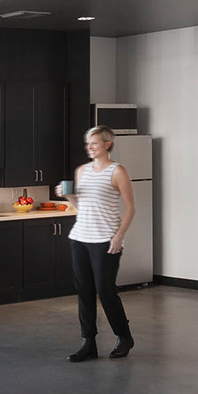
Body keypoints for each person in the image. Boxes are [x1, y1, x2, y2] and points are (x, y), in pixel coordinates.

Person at [68, 125, 135, 362]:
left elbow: (130, 208)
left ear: (107, 144)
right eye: (87, 143)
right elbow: (82, 206)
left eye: (94, 143)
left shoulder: (117, 171)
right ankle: (88, 343)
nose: (89, 147)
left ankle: (124, 337)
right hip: (80, 238)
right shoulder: (81, 171)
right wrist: (68, 196)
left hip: (105, 239)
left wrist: (118, 236)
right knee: (84, 292)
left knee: (105, 291)